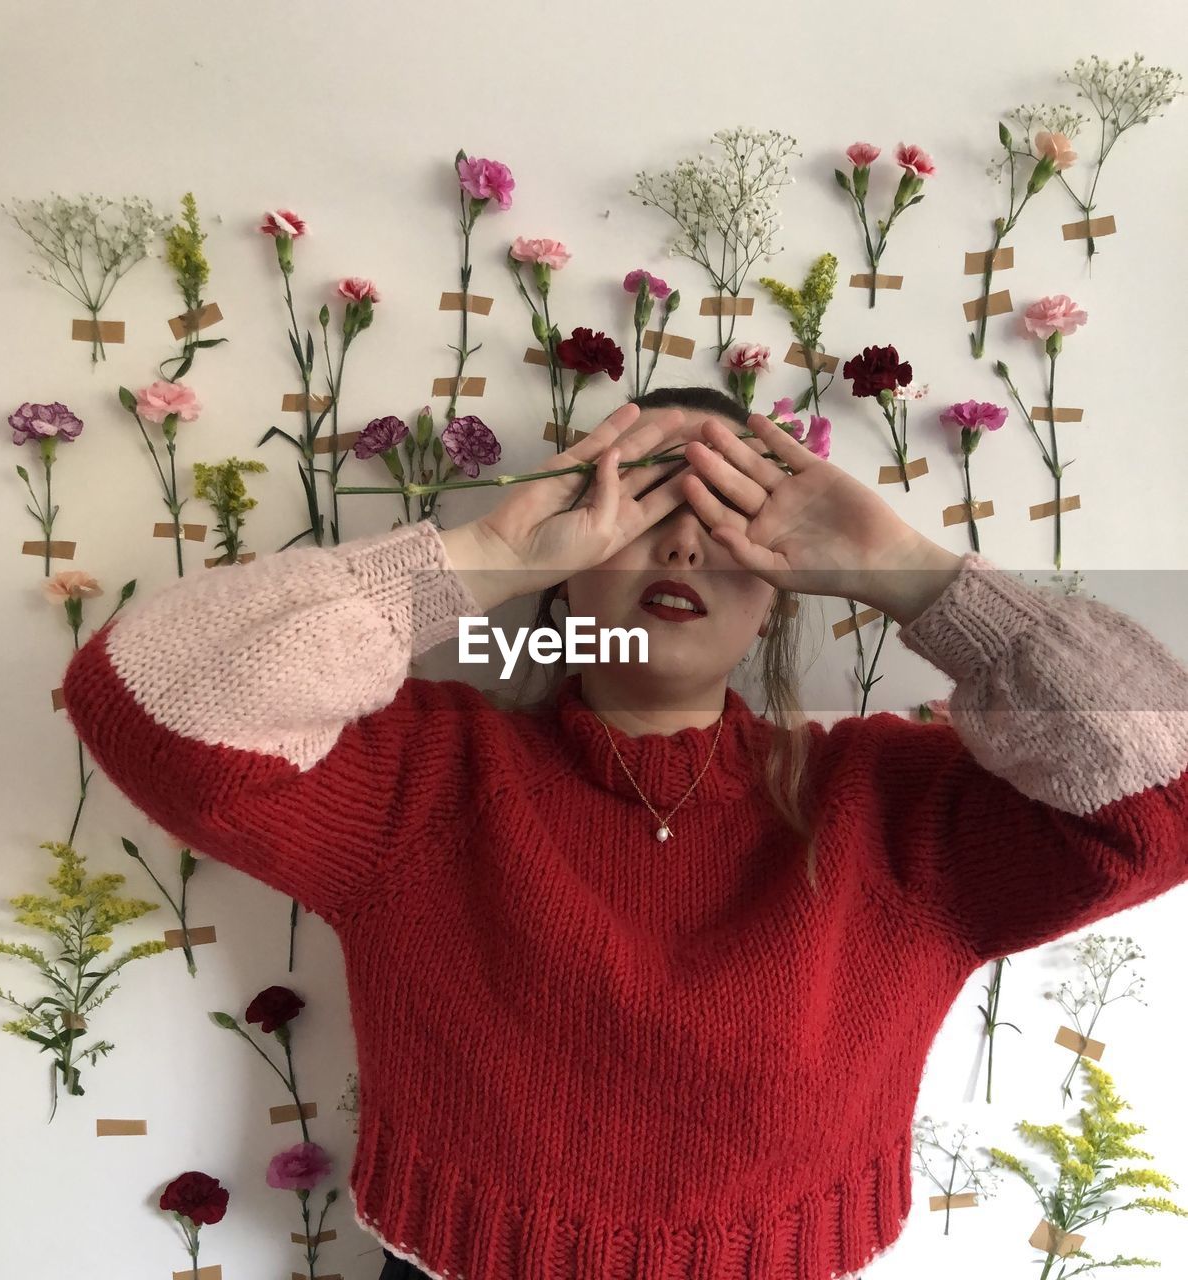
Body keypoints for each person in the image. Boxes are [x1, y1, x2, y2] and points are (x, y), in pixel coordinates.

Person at [61, 386, 1188, 1280]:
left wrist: (909, 575)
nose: (684, 550)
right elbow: (143, 696)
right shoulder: (423, 775)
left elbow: (1161, 799)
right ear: (562, 564)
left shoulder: (895, 804)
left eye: (732, 523)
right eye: (643, 511)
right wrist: (481, 555)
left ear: (784, 591)